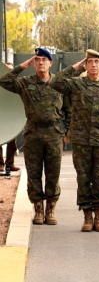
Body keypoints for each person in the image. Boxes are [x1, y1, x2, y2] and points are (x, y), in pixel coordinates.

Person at [51, 49, 99, 233]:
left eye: (96, 62)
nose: (93, 65)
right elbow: (55, 82)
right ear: (85, 64)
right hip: (81, 140)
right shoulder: (76, 84)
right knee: (83, 179)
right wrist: (75, 67)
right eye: (89, 62)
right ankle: (87, 217)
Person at [0, 48, 67, 225]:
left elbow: (69, 109)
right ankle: (38, 208)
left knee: (53, 173)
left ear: (50, 63)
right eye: (37, 60)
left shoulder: (59, 84)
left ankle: (50, 209)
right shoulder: (25, 83)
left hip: (54, 134)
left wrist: (66, 132)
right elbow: (4, 81)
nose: (40, 63)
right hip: (33, 134)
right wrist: (23, 65)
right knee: (34, 173)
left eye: (44, 60)